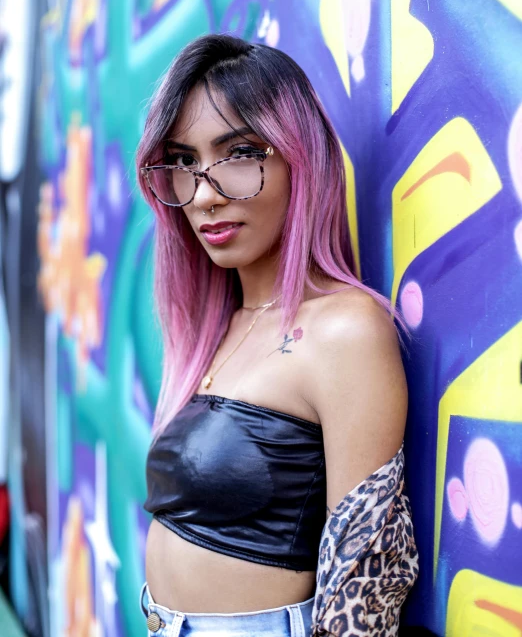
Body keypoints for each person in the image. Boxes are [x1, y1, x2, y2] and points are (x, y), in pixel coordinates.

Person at [135, 34, 419, 637]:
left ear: (300, 157)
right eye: (183, 162)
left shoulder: (346, 329)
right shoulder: (216, 328)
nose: (205, 194)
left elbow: (365, 574)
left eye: (238, 152)